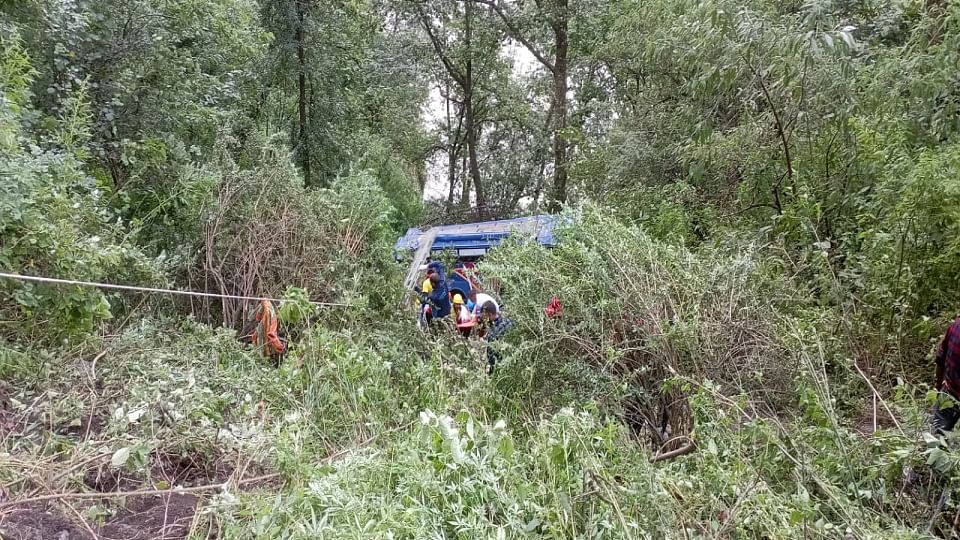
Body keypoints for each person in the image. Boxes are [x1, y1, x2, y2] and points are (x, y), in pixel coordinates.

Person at [933, 318, 960, 434]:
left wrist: (938, 386)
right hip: (950, 390)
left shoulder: (956, 325)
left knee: (937, 440)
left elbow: (940, 360)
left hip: (949, 392)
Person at [480, 301, 513, 374]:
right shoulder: (510, 321)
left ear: (489, 315)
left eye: (484, 317)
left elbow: (492, 360)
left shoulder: (493, 334)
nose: (483, 321)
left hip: (503, 369)